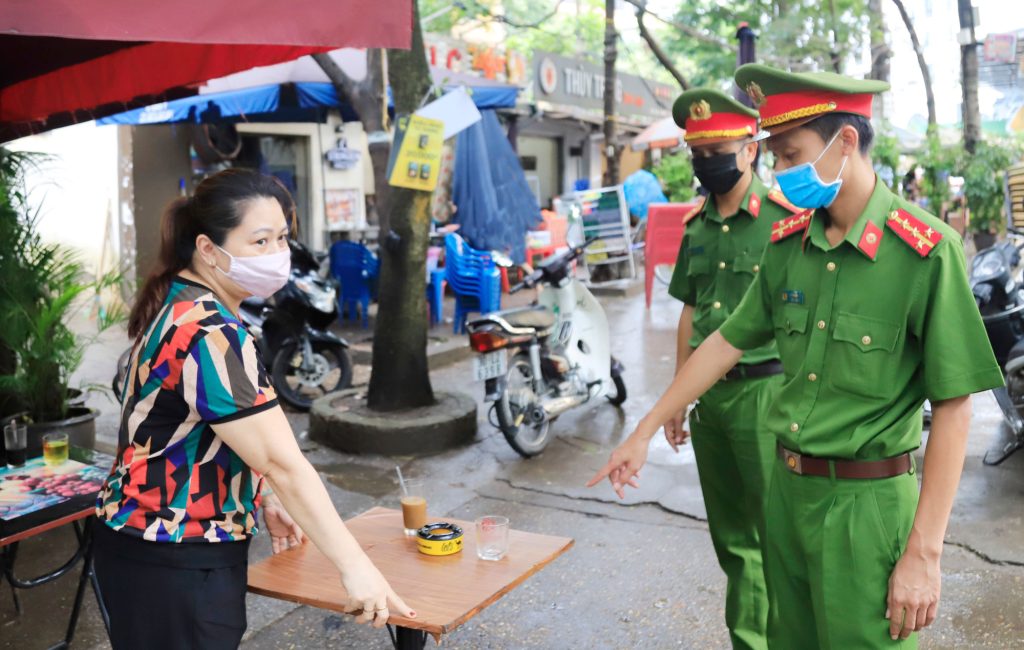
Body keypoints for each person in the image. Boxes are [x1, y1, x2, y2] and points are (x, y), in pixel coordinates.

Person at [588, 64, 1003, 649]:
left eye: (790, 155)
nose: (779, 172)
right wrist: (646, 428)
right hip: (787, 495)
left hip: (867, 507)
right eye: (776, 157)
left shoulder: (926, 254)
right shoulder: (791, 247)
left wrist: (924, 553)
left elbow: (956, 409)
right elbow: (724, 341)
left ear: (846, 142)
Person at [94, 169, 414, 649]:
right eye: (259, 241)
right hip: (173, 557)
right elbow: (283, 463)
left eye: (282, 237)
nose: (276, 254)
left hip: (147, 548)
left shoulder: (183, 302)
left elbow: (196, 426)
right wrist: (357, 569)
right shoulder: (210, 332)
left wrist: (262, 496)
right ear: (208, 249)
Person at [661, 87, 803, 650]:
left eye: (718, 149)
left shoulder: (785, 219)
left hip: (765, 396)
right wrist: (677, 398)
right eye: (698, 153)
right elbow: (690, 313)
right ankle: (749, 642)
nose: (707, 163)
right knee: (732, 541)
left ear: (750, 149)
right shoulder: (695, 226)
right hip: (711, 404)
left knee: (776, 539)